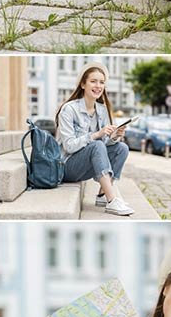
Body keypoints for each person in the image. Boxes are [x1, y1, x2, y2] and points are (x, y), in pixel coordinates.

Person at [56, 61, 132, 215]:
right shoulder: (69, 109)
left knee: (121, 148)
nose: (98, 86)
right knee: (96, 145)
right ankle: (113, 200)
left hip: (87, 163)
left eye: (102, 82)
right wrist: (96, 134)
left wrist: (114, 137)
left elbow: (104, 145)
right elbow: (69, 146)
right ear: (83, 84)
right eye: (93, 81)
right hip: (67, 166)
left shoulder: (102, 110)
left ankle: (103, 195)